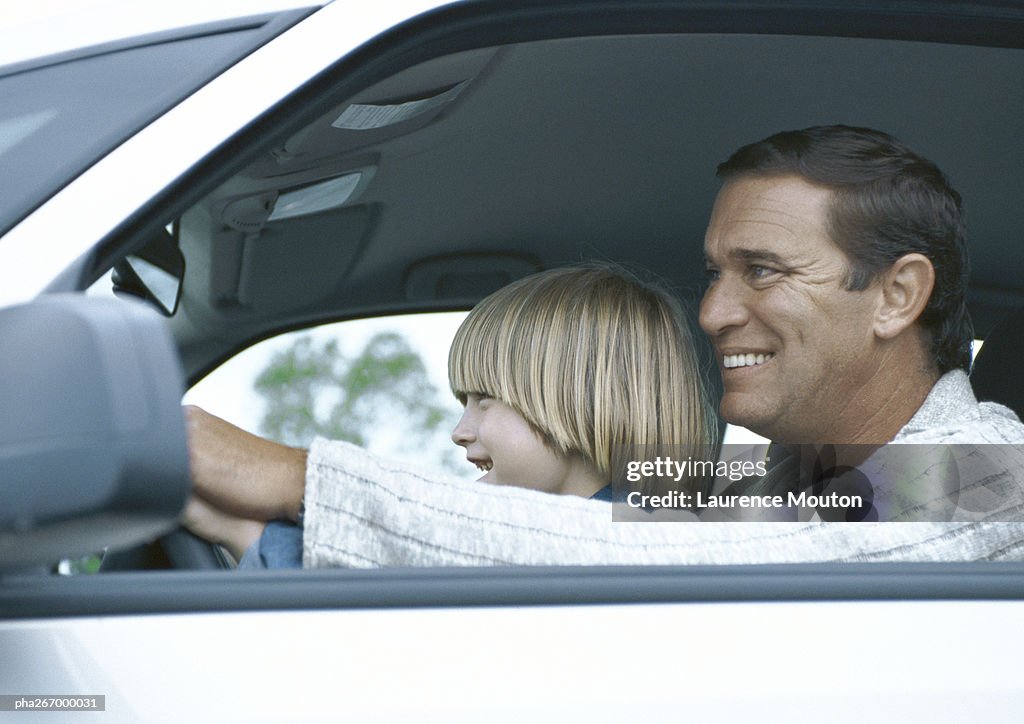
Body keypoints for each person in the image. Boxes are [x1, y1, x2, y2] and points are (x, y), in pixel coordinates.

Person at [185, 125, 1024, 567]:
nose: (713, 313)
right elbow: (590, 509)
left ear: (896, 295)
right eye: (713, 275)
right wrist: (230, 516)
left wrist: (297, 479)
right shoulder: (780, 480)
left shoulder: (991, 473)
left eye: (761, 271)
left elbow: (649, 559)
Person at [184, 263, 716, 564]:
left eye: (486, 399)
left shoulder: (652, 539)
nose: (460, 432)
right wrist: (241, 532)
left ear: (584, 400)